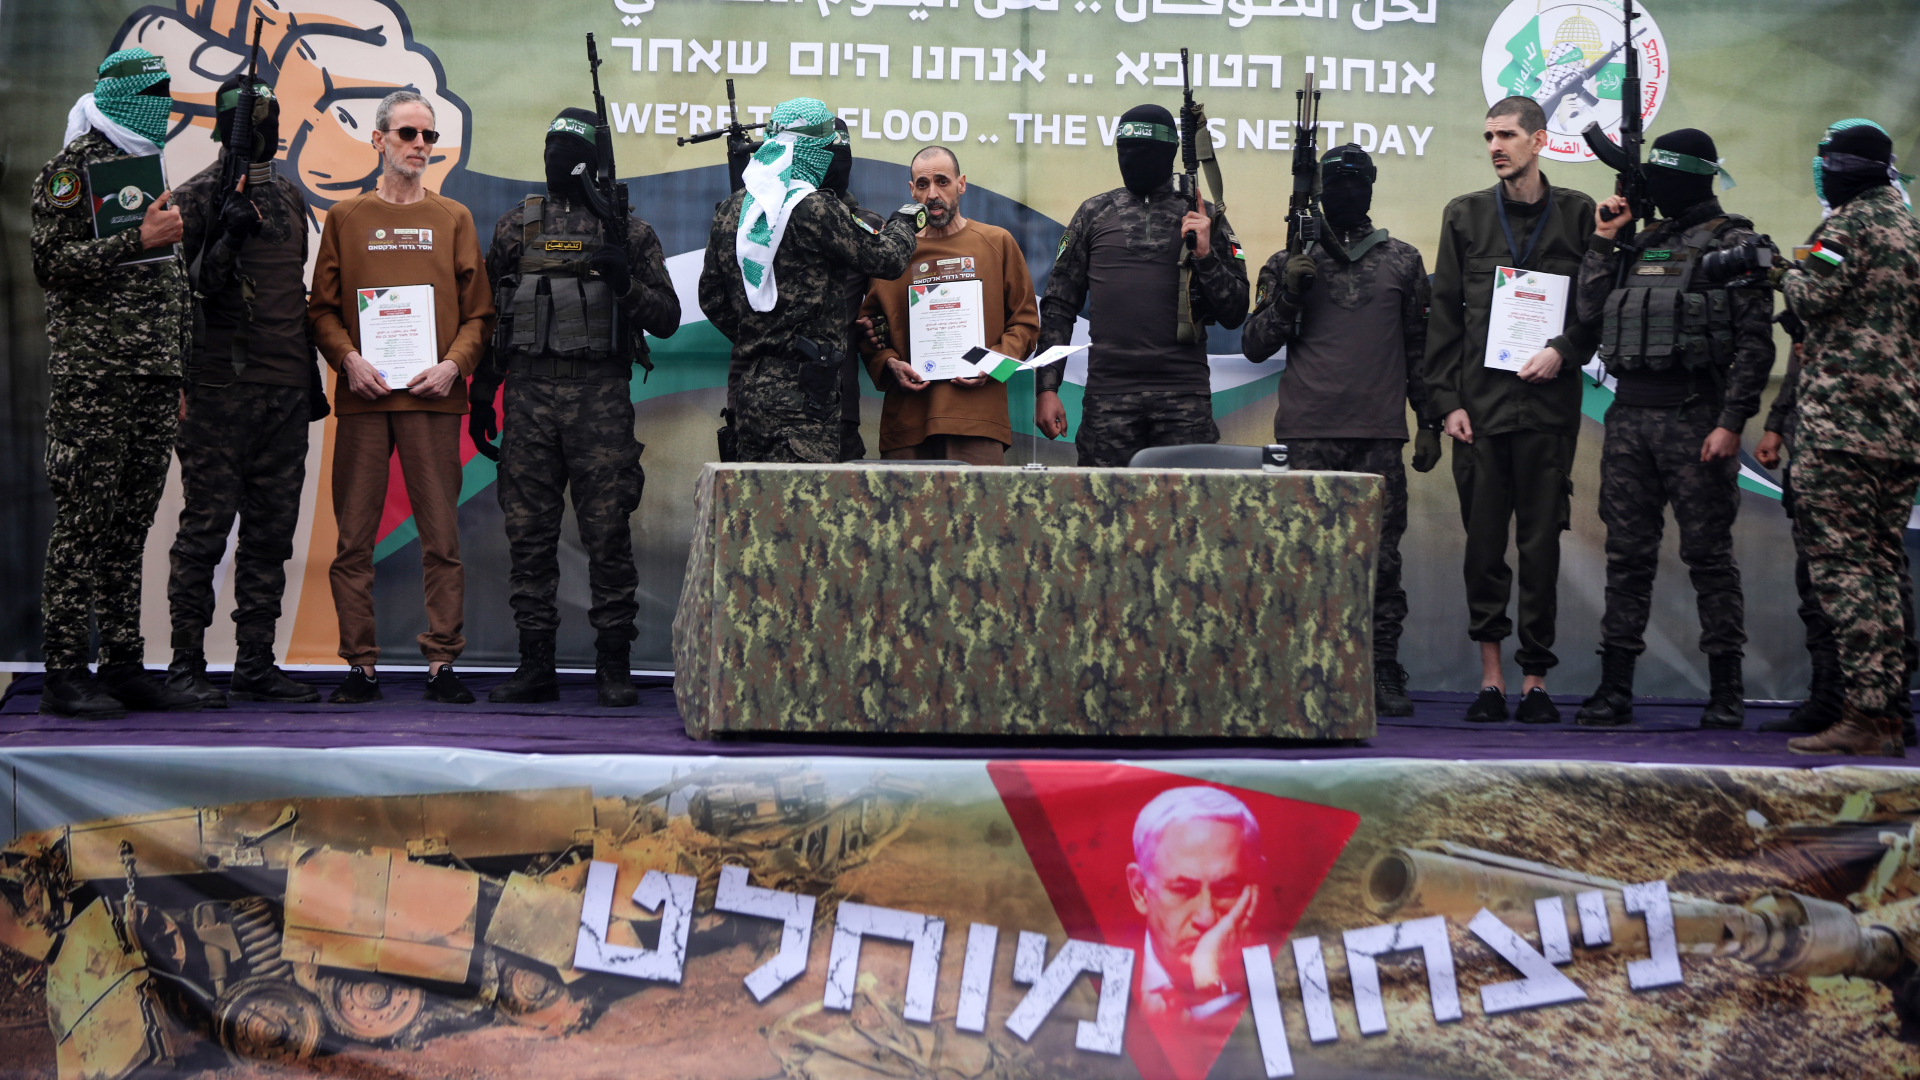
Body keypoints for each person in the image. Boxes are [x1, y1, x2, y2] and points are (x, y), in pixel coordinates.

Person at [468, 109, 680, 708]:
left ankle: (614, 666)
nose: (555, 161)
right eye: (550, 149)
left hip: (600, 402)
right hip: (528, 398)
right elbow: (493, 316)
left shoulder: (627, 232)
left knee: (607, 536)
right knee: (528, 535)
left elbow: (666, 319)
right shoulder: (516, 227)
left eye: (568, 152)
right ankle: (536, 664)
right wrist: (482, 393)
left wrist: (625, 283)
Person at [1569, 129, 1776, 730]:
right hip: (1630, 418)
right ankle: (1615, 689)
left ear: (1687, 177)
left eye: (1661, 177)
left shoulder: (1736, 244)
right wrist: (1605, 240)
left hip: (1695, 419)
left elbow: (1755, 347)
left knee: (1708, 559)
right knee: (1626, 558)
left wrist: (1731, 423)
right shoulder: (1642, 241)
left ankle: (1727, 691)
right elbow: (1590, 313)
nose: (1653, 188)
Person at [308, 90, 495, 705]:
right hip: (364, 399)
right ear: (378, 139)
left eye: (428, 136)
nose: (419, 145)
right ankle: (360, 666)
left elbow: (480, 314)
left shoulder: (454, 218)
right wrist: (348, 359)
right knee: (352, 541)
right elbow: (322, 311)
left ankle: (442, 662)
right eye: (407, 133)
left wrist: (453, 367)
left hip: (433, 400)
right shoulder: (345, 218)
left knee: (441, 539)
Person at [31, 47, 201, 718]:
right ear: (121, 96)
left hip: (152, 377)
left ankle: (124, 665)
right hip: (94, 380)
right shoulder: (71, 171)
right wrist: (137, 239)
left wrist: (176, 369)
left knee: (130, 528)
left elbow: (168, 285)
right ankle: (65, 671)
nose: (164, 105)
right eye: (153, 93)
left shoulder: (144, 169)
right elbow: (50, 262)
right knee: (84, 524)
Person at [1425, 96, 1599, 725]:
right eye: (1488, 136)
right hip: (1481, 412)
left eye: (1506, 135)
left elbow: (1599, 307)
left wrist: (1565, 351)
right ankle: (1492, 680)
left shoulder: (1580, 215)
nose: (1496, 146)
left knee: (1541, 548)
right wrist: (1446, 402)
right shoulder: (1465, 215)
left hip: (1547, 411)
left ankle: (1535, 681)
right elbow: (1444, 314)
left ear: (1539, 140)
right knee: (1484, 550)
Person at [1241, 144, 1432, 717]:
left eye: (1357, 181)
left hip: (1378, 435)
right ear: (1320, 192)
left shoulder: (1403, 260)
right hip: (1308, 434)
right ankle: (1306, 666)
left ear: (1372, 187)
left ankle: (1381, 667)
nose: (1348, 192)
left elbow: (1420, 351)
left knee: (1382, 562)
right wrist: (1288, 295)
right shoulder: (1288, 260)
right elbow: (1254, 345)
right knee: (1304, 558)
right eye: (1337, 183)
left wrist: (1428, 420)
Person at [163, 75, 327, 709]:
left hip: (285, 390)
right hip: (218, 393)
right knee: (205, 531)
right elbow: (185, 295)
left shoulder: (287, 196)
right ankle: (185, 665)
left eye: (273, 118)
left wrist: (308, 377)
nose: (268, 131)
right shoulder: (195, 196)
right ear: (230, 126)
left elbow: (294, 294)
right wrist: (227, 236)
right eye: (256, 120)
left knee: (270, 535)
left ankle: (255, 662)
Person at [1775, 119, 1920, 757]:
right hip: (1900, 430)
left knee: (1843, 570)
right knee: (1883, 568)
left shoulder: (1847, 227)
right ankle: (1886, 715)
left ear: (1842, 167)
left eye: (1827, 163)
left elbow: (1812, 293)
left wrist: (1781, 272)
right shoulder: (1910, 229)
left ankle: (1865, 713)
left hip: (1841, 428)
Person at [697, 98, 920, 463]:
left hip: (750, 392)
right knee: (803, 498)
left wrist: (762, 335)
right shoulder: (815, 206)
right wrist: (903, 224)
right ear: (814, 150)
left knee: (756, 495)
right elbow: (888, 259)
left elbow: (711, 298)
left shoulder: (732, 210)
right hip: (805, 396)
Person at [1037, 104, 1249, 465]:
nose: (1132, 158)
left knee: (1188, 499)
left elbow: (1235, 312)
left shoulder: (1203, 215)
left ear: (1169, 152)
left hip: (1184, 400)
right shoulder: (1094, 213)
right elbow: (1059, 305)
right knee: (1103, 500)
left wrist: (1205, 254)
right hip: (1108, 399)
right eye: (1125, 148)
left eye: (1144, 150)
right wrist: (1046, 388)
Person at [1756, 314, 1919, 742]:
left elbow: (1815, 306)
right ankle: (1838, 702)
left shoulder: (1854, 265)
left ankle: (1884, 707)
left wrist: (1786, 278)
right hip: (1826, 432)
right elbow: (1802, 351)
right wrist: (1776, 423)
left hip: (1854, 434)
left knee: (1863, 573)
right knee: (1825, 578)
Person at [857, 145, 1041, 466]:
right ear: (912, 191)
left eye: (942, 181)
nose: (933, 194)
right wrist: (889, 364)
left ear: (962, 184)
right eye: (923, 184)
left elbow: (1026, 327)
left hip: (977, 421)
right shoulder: (893, 252)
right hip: (908, 424)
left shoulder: (997, 242)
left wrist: (994, 366)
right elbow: (869, 330)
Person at [1127, 786, 1264, 1026]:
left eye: (1226, 889)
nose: (1207, 917)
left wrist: (1210, 983)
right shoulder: (1098, 982)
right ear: (1140, 890)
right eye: (1183, 890)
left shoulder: (1283, 981)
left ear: (1255, 887)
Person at [822, 118, 884, 461]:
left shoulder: (867, 228)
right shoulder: (764, 221)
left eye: (842, 156)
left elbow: (881, 315)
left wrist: (875, 337)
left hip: (838, 401)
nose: (836, 166)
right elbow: (727, 308)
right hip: (769, 401)